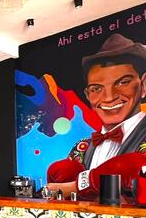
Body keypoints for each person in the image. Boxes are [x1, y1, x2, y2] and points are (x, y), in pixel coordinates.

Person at [47, 33, 146, 199]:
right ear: (87, 95)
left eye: (123, 82)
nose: (109, 97)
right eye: (96, 88)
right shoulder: (82, 147)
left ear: (144, 85)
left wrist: (75, 187)